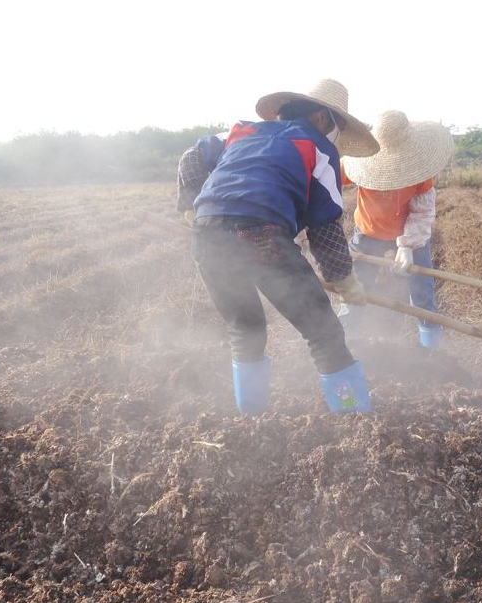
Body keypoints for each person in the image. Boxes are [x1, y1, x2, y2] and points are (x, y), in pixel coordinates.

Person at [180, 79, 380, 415]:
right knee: (323, 332)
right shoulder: (318, 148)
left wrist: (191, 204)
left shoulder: (243, 131)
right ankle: (353, 417)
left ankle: (251, 417)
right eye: (337, 126)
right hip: (261, 237)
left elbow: (191, 157)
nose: (336, 136)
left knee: (246, 328)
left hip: (208, 235)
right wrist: (344, 280)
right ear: (321, 117)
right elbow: (326, 225)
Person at [339, 110, 454, 349]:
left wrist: (408, 246)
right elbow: (326, 179)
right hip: (368, 231)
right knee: (355, 287)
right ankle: (346, 342)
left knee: (422, 290)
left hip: (407, 233)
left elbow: (422, 212)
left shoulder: (419, 170)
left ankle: (433, 349)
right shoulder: (359, 163)